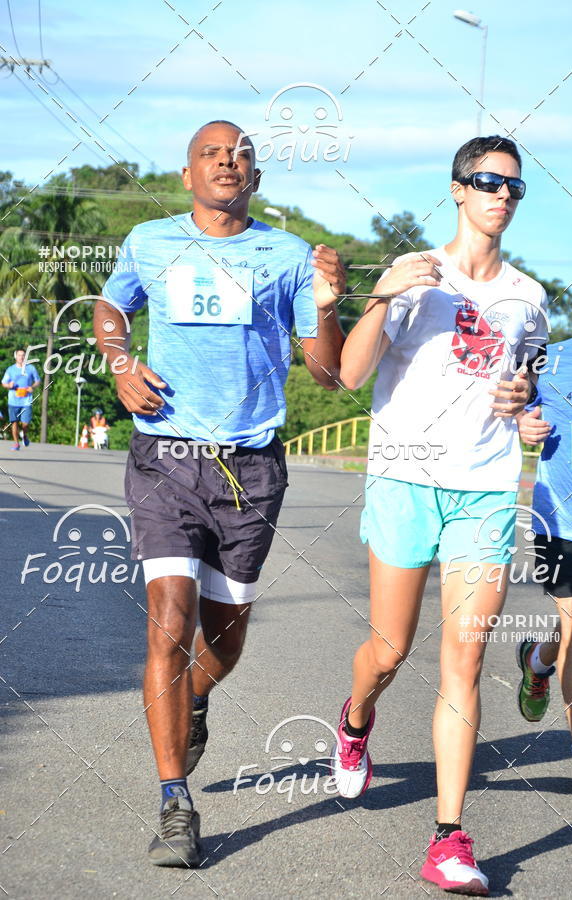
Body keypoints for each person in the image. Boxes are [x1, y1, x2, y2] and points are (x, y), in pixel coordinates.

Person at [94, 119, 345, 868]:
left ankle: (196, 697)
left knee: (224, 640)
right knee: (167, 625)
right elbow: (111, 307)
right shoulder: (149, 239)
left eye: (241, 155)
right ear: (187, 174)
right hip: (165, 459)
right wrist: (118, 360)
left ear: (257, 178)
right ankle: (176, 802)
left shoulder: (290, 255)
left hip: (253, 468)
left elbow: (328, 373)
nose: (228, 162)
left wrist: (329, 305)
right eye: (212, 153)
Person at [331, 135, 547, 896]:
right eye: (487, 182)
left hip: (485, 490)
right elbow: (349, 375)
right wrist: (385, 290)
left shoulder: (529, 297)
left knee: (466, 657)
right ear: (457, 189)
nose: (501, 195)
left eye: (514, 187)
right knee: (389, 652)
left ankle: (448, 837)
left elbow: (529, 392)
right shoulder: (415, 276)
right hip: (402, 481)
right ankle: (355, 720)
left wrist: (528, 415)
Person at [515, 258, 572, 788]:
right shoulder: (548, 359)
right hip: (563, 520)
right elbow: (507, 412)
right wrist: (522, 423)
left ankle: (538, 660)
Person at [1, 349, 41, 450]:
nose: (21, 357)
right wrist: (9, 385)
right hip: (13, 401)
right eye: (19, 355)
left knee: (25, 423)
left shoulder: (31, 368)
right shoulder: (10, 370)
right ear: (16, 357)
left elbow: (37, 381)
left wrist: (33, 387)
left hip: (26, 400)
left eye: (23, 355)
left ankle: (24, 435)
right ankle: (16, 443)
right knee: (14, 422)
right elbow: (4, 383)